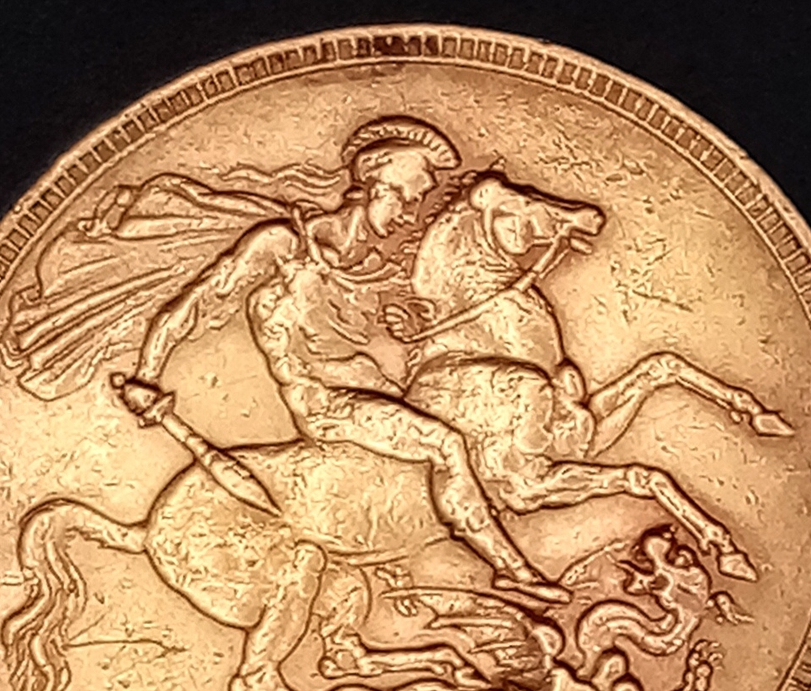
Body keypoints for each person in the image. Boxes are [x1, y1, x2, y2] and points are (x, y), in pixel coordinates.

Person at [112, 115, 564, 603]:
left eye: (415, 204)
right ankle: (511, 570)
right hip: (327, 404)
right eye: (405, 200)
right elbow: (196, 303)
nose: (409, 216)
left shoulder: (378, 268)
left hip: (386, 394)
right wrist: (146, 375)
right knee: (444, 442)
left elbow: (415, 329)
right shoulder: (284, 248)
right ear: (374, 186)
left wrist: (411, 322)